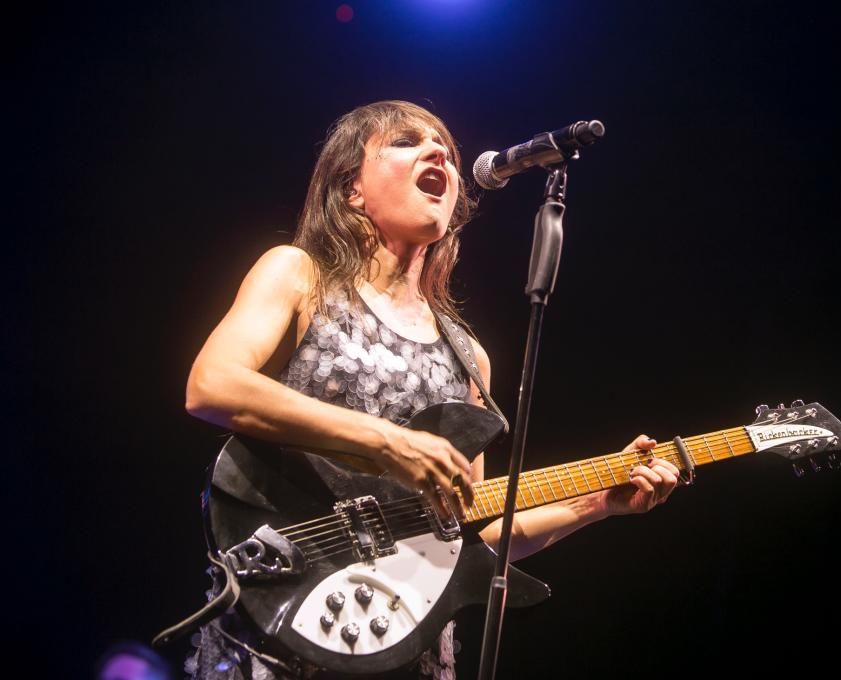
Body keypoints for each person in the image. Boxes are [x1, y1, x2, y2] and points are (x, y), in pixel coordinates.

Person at [184, 100, 680, 679]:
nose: (439, 152)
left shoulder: (468, 356)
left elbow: (479, 526)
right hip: (281, 625)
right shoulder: (299, 275)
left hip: (406, 647)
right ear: (352, 190)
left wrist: (596, 504)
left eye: (444, 144)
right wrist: (389, 443)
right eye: (405, 141)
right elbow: (211, 384)